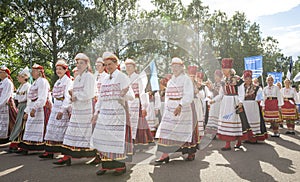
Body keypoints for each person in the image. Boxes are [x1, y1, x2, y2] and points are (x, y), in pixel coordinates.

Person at [91, 52, 134, 176]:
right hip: (105, 111)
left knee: (116, 138)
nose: (108, 67)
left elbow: (131, 96)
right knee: (103, 137)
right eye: (106, 65)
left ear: (116, 64)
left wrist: (123, 94)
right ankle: (105, 165)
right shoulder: (104, 78)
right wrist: (96, 113)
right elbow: (100, 98)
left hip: (117, 111)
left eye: (111, 64)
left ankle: (120, 166)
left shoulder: (122, 77)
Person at [52, 53, 96, 166]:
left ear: (86, 64)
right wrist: (72, 95)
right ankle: (66, 156)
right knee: (70, 132)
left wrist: (76, 95)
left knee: (85, 133)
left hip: (85, 109)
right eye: (77, 63)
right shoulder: (78, 78)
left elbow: (90, 93)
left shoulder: (90, 77)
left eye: (81, 63)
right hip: (76, 108)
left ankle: (95, 154)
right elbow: (72, 92)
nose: (79, 65)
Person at [155, 57, 199, 162]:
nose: (174, 69)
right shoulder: (170, 81)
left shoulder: (186, 79)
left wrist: (180, 105)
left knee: (184, 130)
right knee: (166, 130)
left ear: (181, 67)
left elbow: (189, 94)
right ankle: (165, 155)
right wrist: (166, 107)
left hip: (183, 108)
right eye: (173, 67)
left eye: (177, 67)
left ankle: (190, 152)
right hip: (170, 108)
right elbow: (167, 96)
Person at [39, 59, 72, 159]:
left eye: (60, 69)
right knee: (52, 128)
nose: (58, 71)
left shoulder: (68, 81)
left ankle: (63, 151)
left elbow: (68, 96)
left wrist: (62, 110)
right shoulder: (58, 81)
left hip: (63, 105)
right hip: (56, 104)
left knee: (62, 128)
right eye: (57, 69)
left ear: (65, 70)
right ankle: (50, 151)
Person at [217, 58, 251, 151]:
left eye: (225, 68)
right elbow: (221, 93)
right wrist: (214, 100)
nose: (223, 70)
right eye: (223, 68)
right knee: (226, 120)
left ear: (230, 69)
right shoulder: (223, 80)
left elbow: (241, 92)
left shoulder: (237, 79)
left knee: (236, 121)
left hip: (234, 100)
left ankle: (239, 140)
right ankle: (227, 143)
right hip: (225, 102)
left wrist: (240, 102)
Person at [18, 64, 51, 154]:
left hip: (41, 108)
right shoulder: (35, 83)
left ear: (39, 72)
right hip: (33, 105)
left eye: (33, 71)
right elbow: (30, 98)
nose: (31, 73)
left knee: (40, 127)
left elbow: (42, 97)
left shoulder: (43, 82)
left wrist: (35, 108)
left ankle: (41, 146)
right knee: (29, 126)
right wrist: (28, 111)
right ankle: (28, 146)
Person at [125, 58, 153, 146]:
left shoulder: (138, 78)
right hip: (127, 103)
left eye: (130, 66)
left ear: (134, 67)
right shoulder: (125, 78)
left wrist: (144, 106)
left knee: (137, 122)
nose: (128, 68)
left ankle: (137, 141)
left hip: (136, 102)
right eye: (126, 67)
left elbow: (142, 92)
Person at [7, 67, 31, 152]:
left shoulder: (28, 86)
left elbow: (29, 99)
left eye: (20, 76)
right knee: (18, 124)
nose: (18, 78)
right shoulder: (20, 86)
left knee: (21, 125)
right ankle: (15, 143)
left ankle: (18, 143)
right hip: (20, 106)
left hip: (24, 106)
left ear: (24, 77)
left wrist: (27, 111)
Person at [242, 70, 268, 143]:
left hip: (253, 106)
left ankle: (254, 137)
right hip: (244, 106)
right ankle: (247, 137)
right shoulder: (241, 87)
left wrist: (257, 100)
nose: (248, 80)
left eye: (249, 78)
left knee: (253, 120)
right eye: (246, 78)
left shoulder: (257, 88)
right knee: (246, 121)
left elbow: (260, 97)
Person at [0, 65, 17, 144]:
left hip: (6, 104)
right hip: (2, 104)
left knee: (9, 121)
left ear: (6, 74)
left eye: (1, 72)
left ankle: (7, 137)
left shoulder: (8, 82)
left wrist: (1, 103)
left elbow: (6, 95)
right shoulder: (2, 82)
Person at [207, 69, 223, 136]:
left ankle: (218, 132)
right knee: (212, 116)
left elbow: (221, 94)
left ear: (220, 77)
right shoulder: (215, 84)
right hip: (213, 103)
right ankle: (212, 133)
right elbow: (213, 93)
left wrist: (214, 100)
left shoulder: (222, 84)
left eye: (217, 76)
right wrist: (210, 96)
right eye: (215, 76)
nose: (216, 78)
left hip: (219, 102)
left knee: (217, 117)